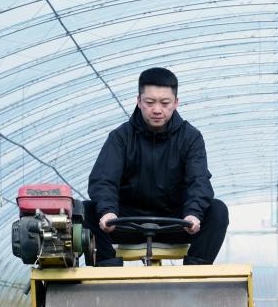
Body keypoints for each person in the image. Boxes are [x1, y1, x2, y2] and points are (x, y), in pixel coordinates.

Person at [84, 67, 228, 266]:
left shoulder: (191, 138)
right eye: (150, 102)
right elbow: (103, 179)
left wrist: (193, 214)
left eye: (165, 103)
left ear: (176, 103)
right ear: (139, 101)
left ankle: (194, 275)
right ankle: (107, 270)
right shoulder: (120, 137)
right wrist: (108, 212)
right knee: (85, 210)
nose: (157, 109)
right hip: (126, 223)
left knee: (218, 210)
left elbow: (199, 181)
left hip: (176, 223)